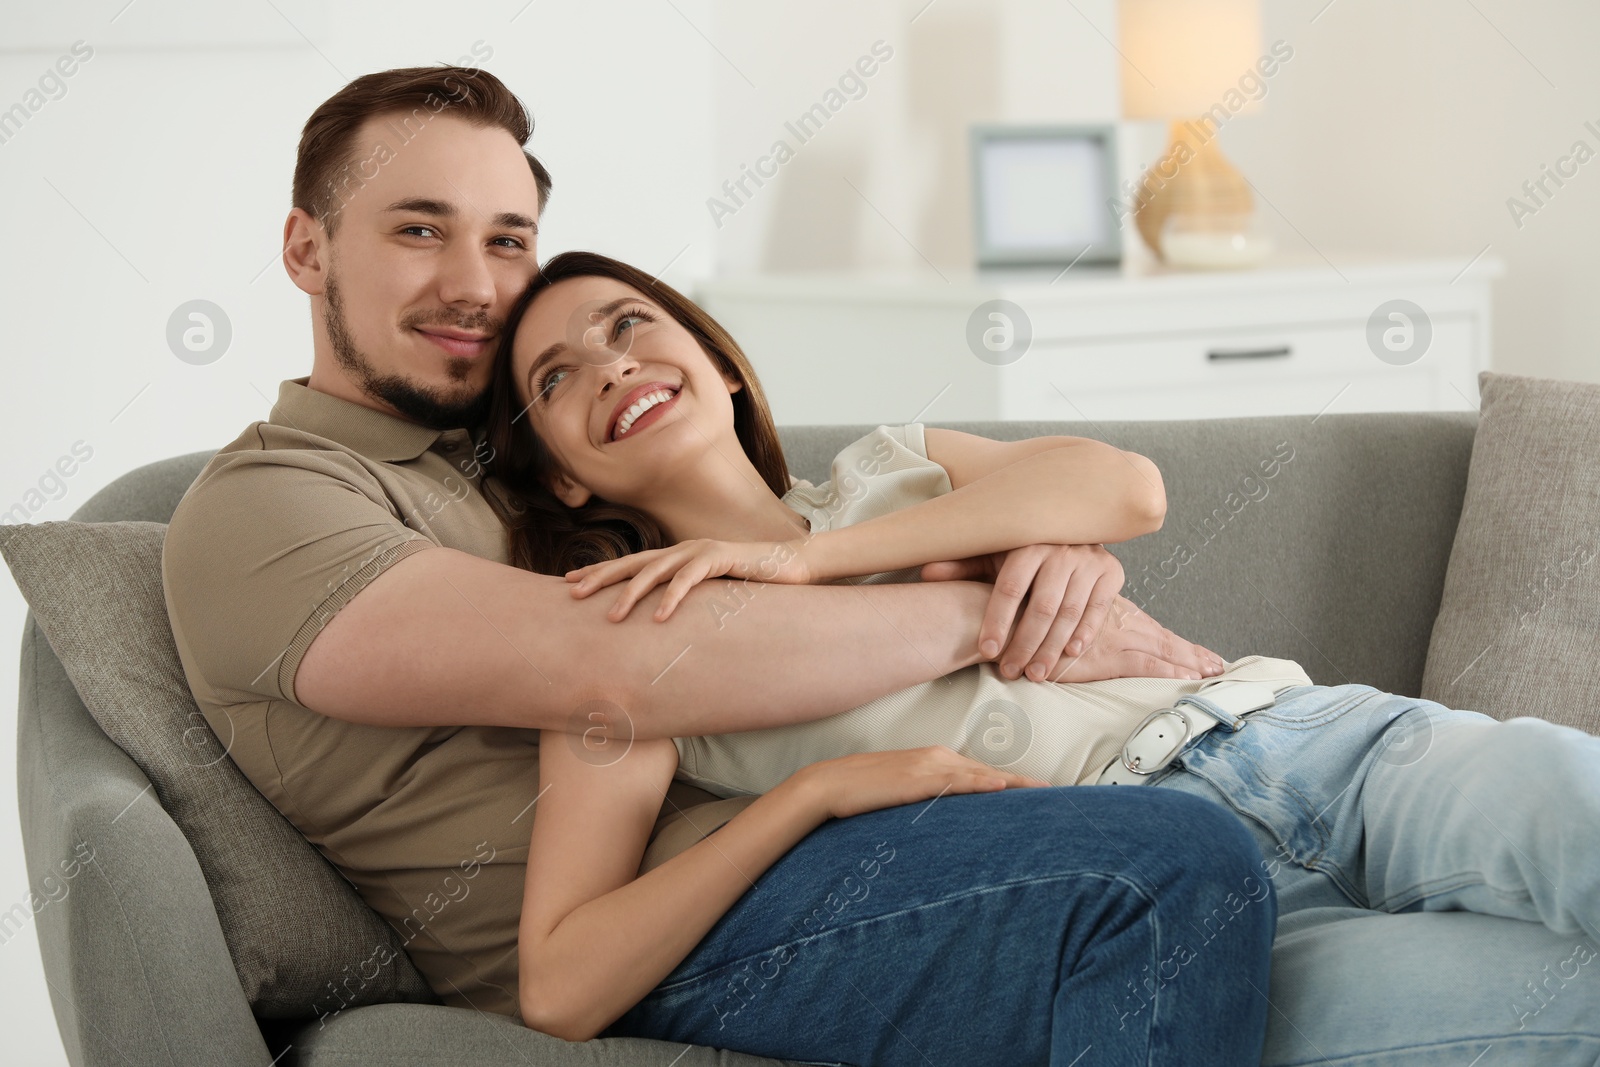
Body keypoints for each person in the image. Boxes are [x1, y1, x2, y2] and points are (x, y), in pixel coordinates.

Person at [159, 64, 1278, 1065]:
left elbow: (768, 511)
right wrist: (994, 609)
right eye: (418, 231)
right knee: (1164, 864)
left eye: (506, 239)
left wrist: (1040, 542)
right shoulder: (269, 506)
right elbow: (617, 664)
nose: (477, 285)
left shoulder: (527, 457)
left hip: (835, 831)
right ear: (306, 248)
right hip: (674, 928)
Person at [485, 249, 1600, 1061]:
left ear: (718, 364)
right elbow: (563, 977)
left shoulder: (892, 464)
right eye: (555, 378)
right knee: (1564, 1013)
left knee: (1571, 800)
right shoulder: (624, 643)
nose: (608, 365)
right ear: (565, 476)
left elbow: (1125, 487)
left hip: (1295, 741)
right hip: (1185, 902)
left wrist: (812, 562)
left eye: (629, 324)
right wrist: (813, 795)